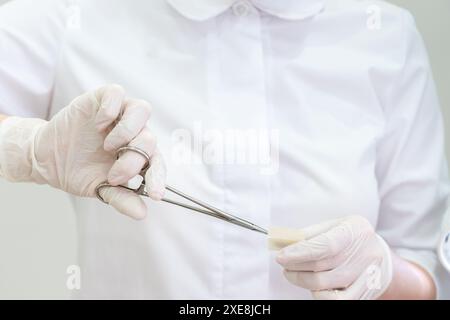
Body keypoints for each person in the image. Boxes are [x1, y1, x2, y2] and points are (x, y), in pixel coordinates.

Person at [0, 0, 447, 299]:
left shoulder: (383, 35)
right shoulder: (75, 13)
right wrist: (29, 147)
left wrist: (379, 273)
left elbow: (426, 274)